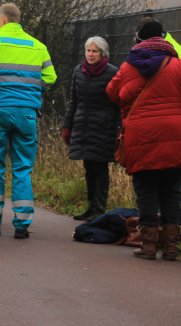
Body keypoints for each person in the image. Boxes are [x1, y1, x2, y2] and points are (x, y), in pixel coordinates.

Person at [106, 21, 181, 261]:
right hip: (175, 134)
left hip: (141, 136)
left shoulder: (128, 66)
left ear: (138, 39)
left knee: (146, 190)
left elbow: (112, 93)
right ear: (163, 37)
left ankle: (149, 246)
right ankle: (172, 247)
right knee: (172, 191)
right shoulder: (179, 65)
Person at [0, 3, 56, 239]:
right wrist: (33, 94)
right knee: (22, 168)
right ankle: (22, 226)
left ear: (3, 20)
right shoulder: (38, 46)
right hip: (27, 113)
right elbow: (50, 77)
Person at [62, 36, 120, 222]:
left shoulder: (113, 73)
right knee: (88, 167)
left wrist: (120, 128)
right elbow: (74, 101)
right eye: (88, 50)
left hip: (104, 127)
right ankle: (90, 207)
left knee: (100, 168)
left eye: (95, 51)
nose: (91, 54)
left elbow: (118, 104)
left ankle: (99, 208)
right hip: (83, 125)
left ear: (102, 53)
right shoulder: (78, 71)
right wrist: (67, 125)